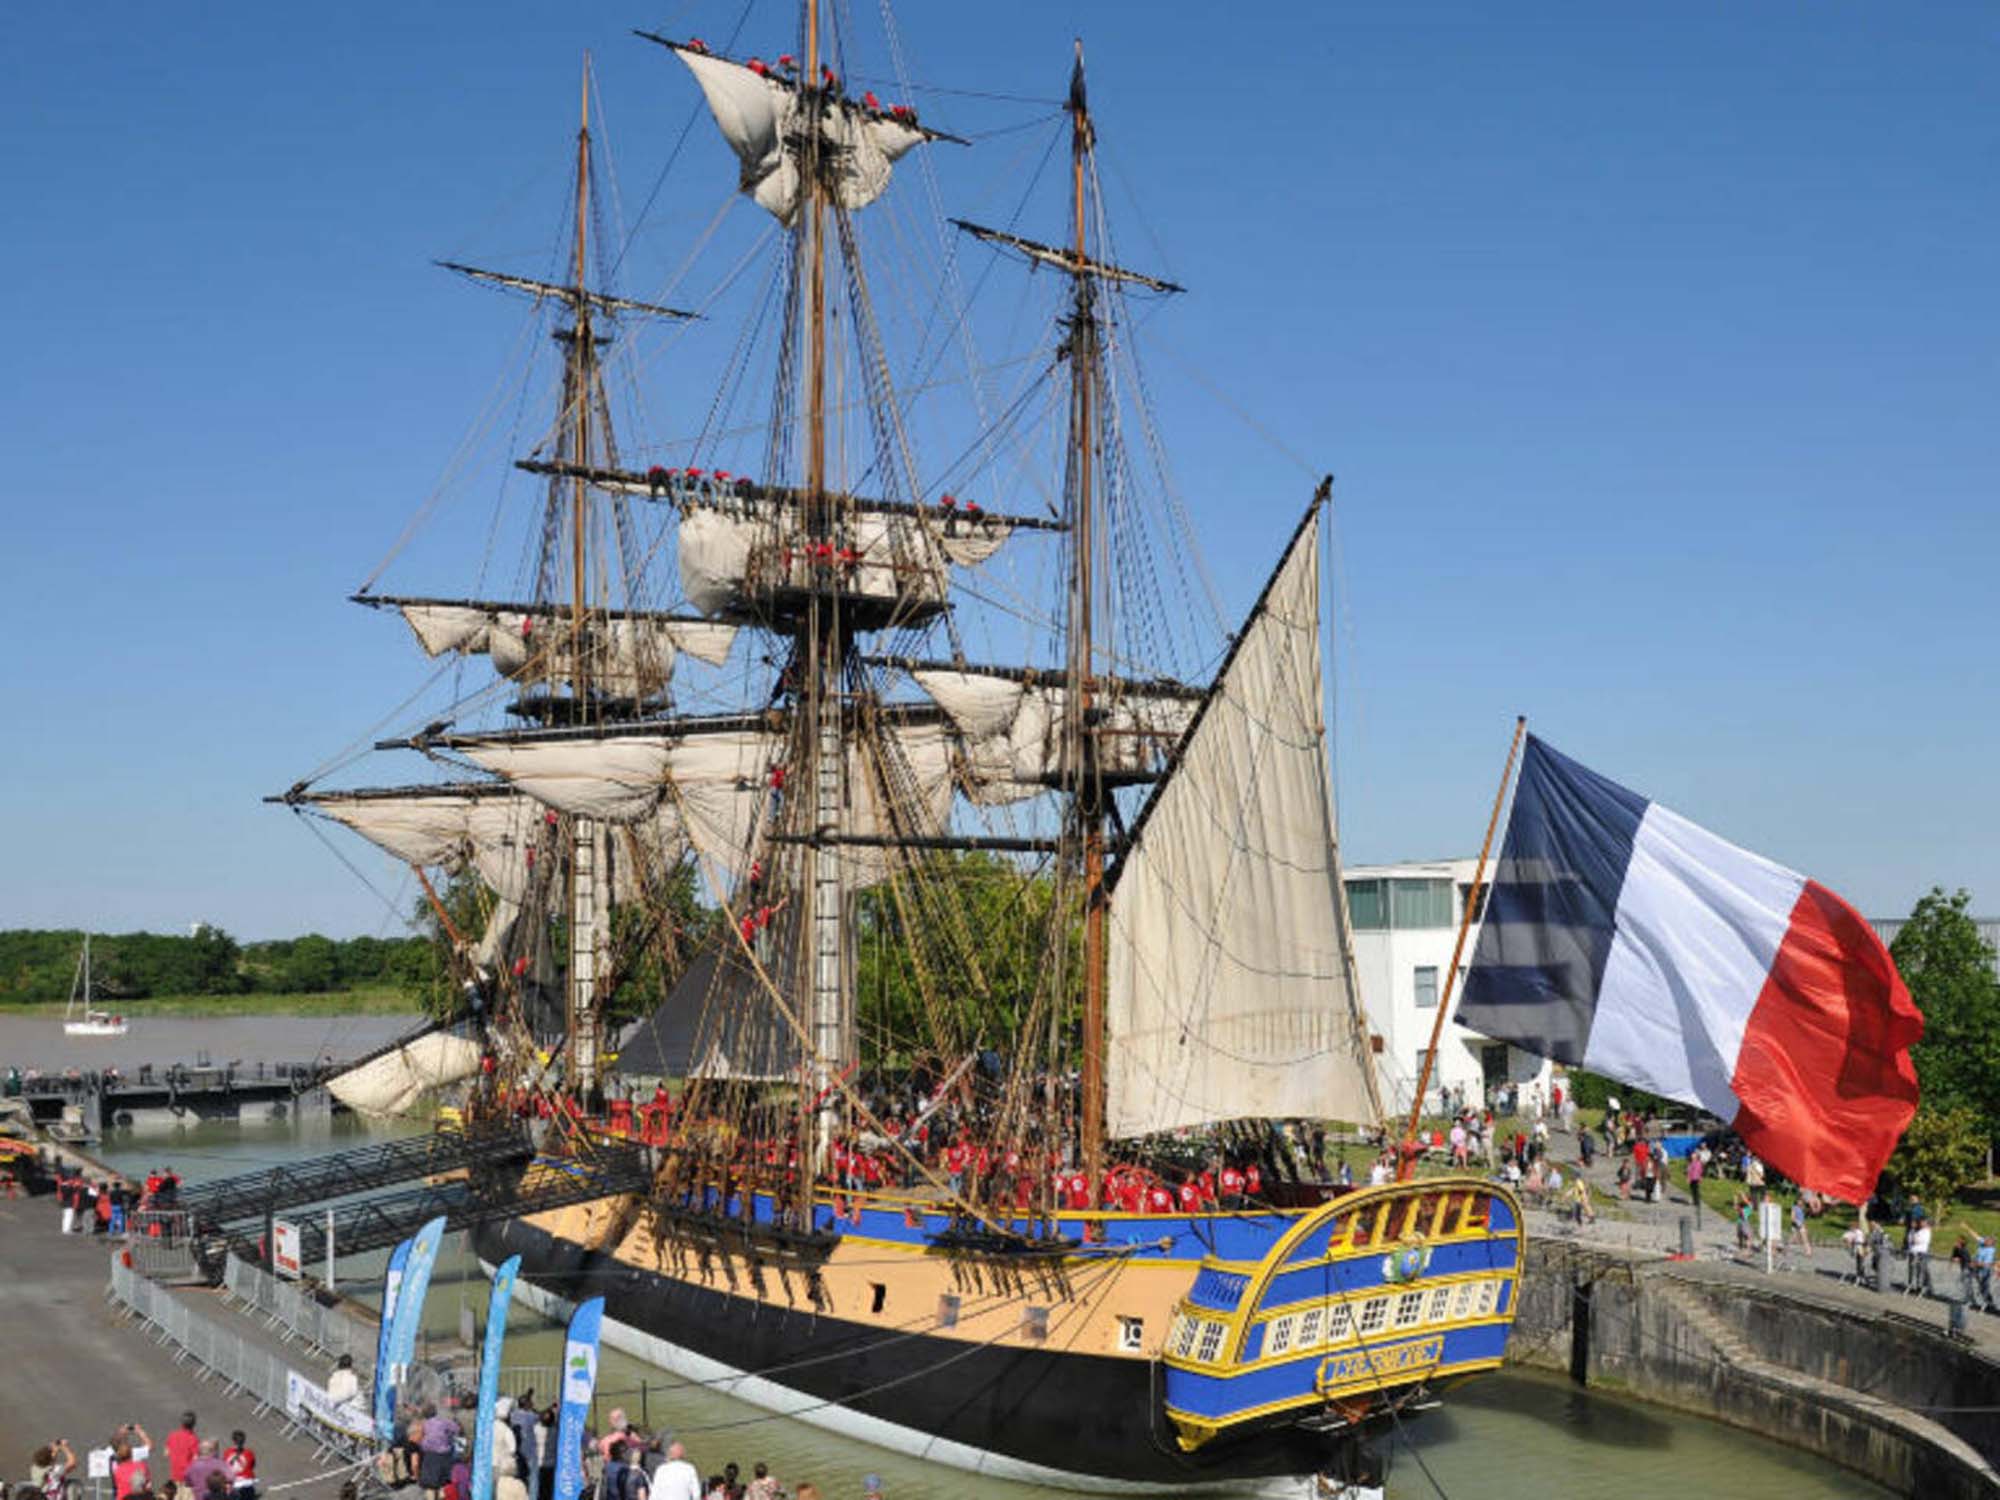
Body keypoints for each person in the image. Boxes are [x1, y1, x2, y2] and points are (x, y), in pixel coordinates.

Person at [417, 1403, 459, 1498]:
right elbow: (457, 1429)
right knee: (443, 1483)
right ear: (435, 1412)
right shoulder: (443, 1421)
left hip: (430, 1455)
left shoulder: (424, 1424)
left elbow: (420, 1439)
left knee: (430, 1485)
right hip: (444, 1454)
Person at [165, 1417, 201, 1487]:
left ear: (182, 1423)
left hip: (175, 1474)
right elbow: (196, 1459)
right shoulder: (193, 1439)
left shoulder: (172, 1435)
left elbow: (166, 1453)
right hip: (188, 1477)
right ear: (193, 1424)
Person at [221, 1432, 255, 1500]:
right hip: (246, 1483)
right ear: (244, 1441)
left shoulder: (227, 1452)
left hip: (233, 1484)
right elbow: (252, 1465)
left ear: (233, 1441)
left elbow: (224, 1467)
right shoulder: (249, 1453)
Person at [1906, 1216, 1934, 1297]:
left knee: (1920, 1271)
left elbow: (1921, 1241)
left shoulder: (1926, 1231)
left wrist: (1915, 1240)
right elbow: (1910, 1240)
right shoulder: (1913, 1231)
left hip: (1921, 1253)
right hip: (1913, 1252)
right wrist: (1913, 1240)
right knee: (1911, 1270)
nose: (1921, 1224)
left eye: (1923, 1222)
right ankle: (1910, 1285)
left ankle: (1920, 1287)